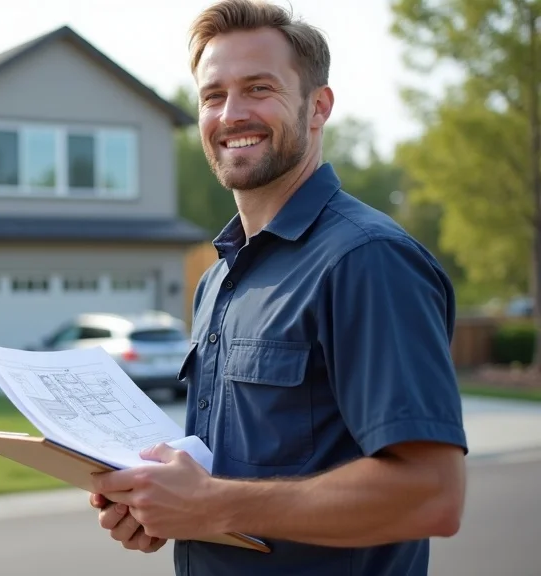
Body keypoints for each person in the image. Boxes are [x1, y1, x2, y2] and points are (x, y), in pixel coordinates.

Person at [87, 0, 468, 574]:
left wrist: (210, 505)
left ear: (318, 107)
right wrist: (162, 502)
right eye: (213, 96)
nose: (231, 113)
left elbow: (432, 494)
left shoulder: (367, 260)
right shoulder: (218, 279)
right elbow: (239, 478)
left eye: (258, 88)